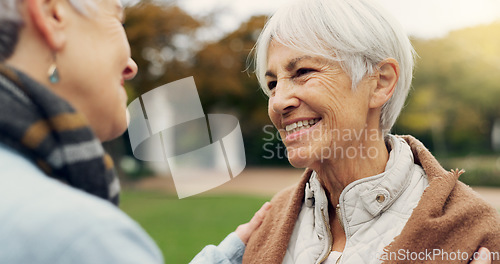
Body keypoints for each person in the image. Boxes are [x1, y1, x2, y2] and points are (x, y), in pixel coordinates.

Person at [0, 0, 269, 263]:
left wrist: (228, 254)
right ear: (54, 15)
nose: (132, 66)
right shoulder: (76, 235)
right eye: (119, 20)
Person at [239, 0, 500, 263]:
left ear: (380, 83)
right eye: (272, 84)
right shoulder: (270, 220)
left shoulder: (479, 233)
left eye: (303, 71)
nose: (277, 102)